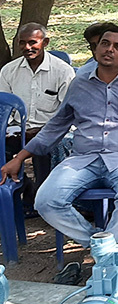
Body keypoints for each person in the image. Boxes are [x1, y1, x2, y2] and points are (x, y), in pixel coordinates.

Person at [0, 26, 118, 255]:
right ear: (96, 49)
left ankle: (105, 250)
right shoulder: (80, 82)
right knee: (45, 200)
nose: (109, 50)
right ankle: (102, 247)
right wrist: (21, 157)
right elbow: (56, 126)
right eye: (105, 44)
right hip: (84, 159)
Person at [0, 23, 75, 210]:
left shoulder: (62, 71)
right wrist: (11, 130)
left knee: (51, 147)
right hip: (18, 129)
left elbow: (68, 113)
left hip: (52, 130)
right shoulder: (9, 71)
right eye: (22, 43)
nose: (27, 47)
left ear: (45, 42)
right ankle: (21, 190)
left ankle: (45, 201)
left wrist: (42, 131)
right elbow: (5, 110)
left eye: (33, 42)